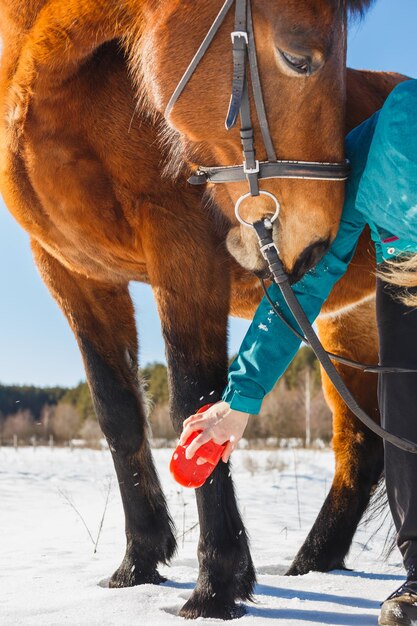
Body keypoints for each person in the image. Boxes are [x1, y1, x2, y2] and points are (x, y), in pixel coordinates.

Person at [179, 78, 417, 626]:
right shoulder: (375, 147)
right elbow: (301, 288)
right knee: (405, 408)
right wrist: (240, 399)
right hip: (402, 280)